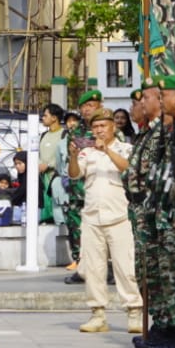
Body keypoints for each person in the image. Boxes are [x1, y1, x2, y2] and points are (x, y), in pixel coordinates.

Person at [68, 106, 140, 333]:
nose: (99, 130)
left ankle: (134, 311)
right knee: (94, 269)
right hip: (92, 216)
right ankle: (97, 314)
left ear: (113, 126)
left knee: (125, 267)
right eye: (95, 126)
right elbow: (74, 174)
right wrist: (72, 155)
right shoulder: (87, 152)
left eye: (103, 126)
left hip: (119, 216)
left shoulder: (125, 148)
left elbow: (127, 169)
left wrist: (107, 151)